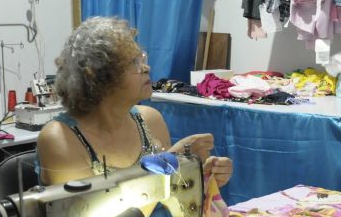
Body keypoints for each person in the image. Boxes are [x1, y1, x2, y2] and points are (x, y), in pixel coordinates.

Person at [37, 17, 232, 188]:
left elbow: (172, 195)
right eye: (133, 63)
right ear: (96, 75)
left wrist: (202, 177)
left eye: (142, 59)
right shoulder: (59, 138)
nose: (146, 68)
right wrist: (169, 161)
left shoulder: (150, 120)